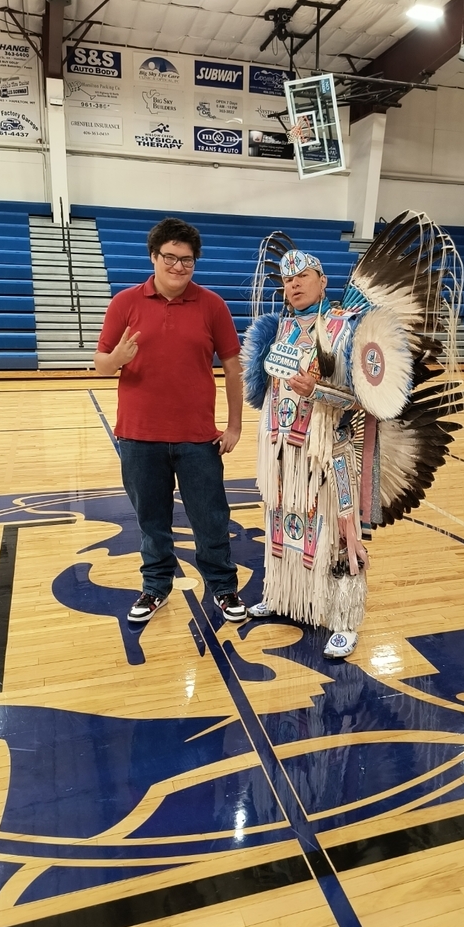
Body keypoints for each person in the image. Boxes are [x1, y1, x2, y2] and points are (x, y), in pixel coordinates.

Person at [94, 216, 247, 625]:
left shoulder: (212, 305)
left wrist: (234, 426)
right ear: (154, 257)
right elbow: (100, 366)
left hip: (198, 439)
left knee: (211, 518)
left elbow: (234, 368)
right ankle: (155, 586)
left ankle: (223, 586)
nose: (178, 267)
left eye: (187, 260)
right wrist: (118, 360)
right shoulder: (124, 303)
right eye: (170, 258)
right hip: (138, 437)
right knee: (152, 521)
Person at [240, 249, 369, 659]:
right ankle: (285, 597)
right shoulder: (278, 329)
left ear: (323, 280)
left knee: (341, 534)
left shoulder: (345, 329)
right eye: (286, 279)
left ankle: (345, 619)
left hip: (329, 453)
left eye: (303, 276)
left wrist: (317, 392)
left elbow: (361, 400)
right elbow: (268, 393)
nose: (293, 284)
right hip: (284, 451)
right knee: (283, 522)